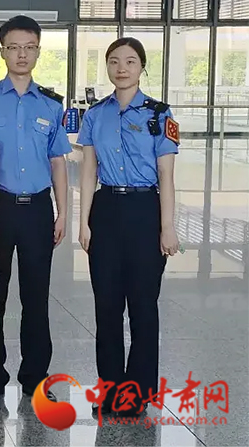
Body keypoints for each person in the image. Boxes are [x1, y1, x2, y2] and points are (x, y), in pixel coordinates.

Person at [0, 15, 72, 408]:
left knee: (36, 300)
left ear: (38, 51)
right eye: (14, 47)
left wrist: (62, 213)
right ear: (2, 51)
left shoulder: (51, 105)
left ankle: (35, 379)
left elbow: (58, 161)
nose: (22, 54)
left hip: (37, 209)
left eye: (29, 47)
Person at [77, 37, 180, 417]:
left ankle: (136, 394)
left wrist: (167, 227)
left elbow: (166, 176)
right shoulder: (95, 115)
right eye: (114, 61)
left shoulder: (160, 114)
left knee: (142, 306)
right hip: (106, 210)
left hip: (144, 211)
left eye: (130, 61)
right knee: (106, 307)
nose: (122, 68)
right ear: (107, 67)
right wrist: (84, 222)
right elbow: (89, 170)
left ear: (142, 67)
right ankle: (109, 390)